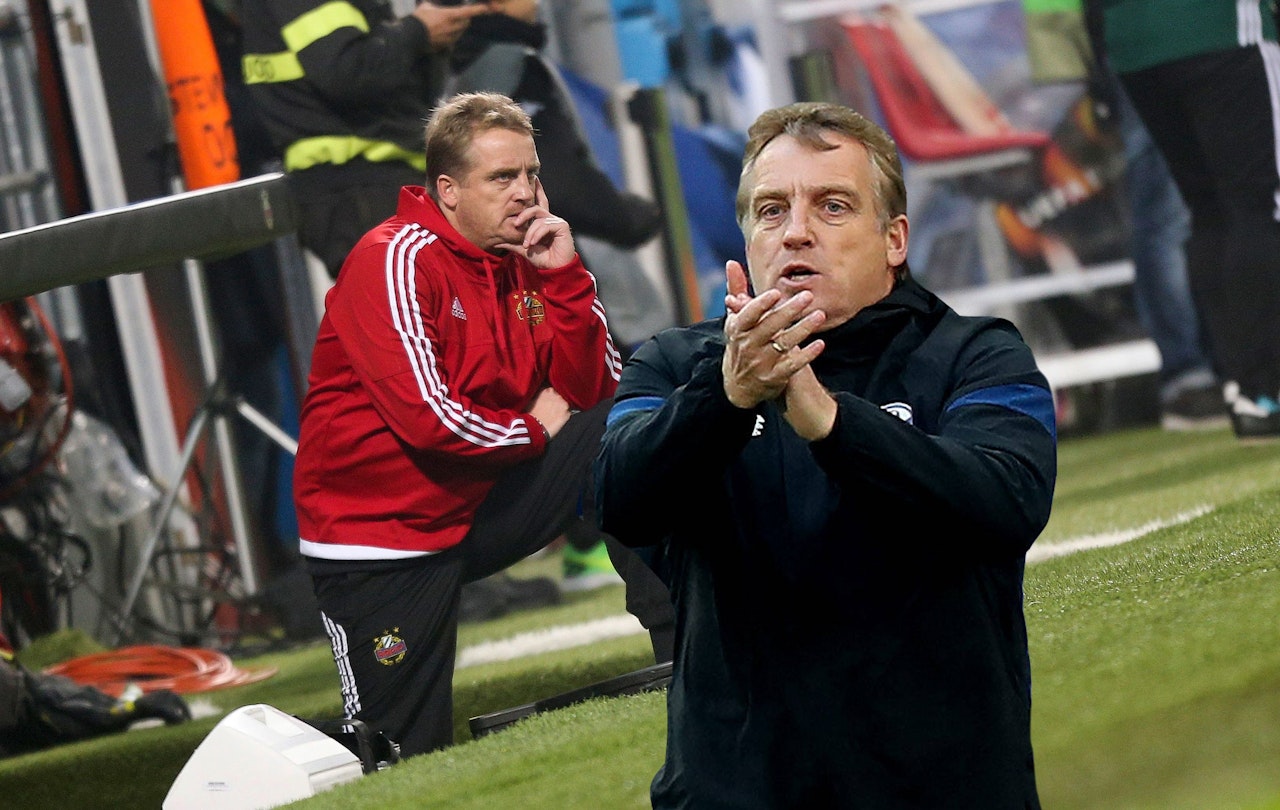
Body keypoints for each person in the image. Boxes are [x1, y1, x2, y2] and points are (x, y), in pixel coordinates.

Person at [595, 102, 1057, 807]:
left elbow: (1008, 500)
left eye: (832, 206)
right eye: (771, 210)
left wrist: (833, 425)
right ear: (747, 238)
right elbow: (618, 501)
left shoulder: (976, 354)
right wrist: (725, 398)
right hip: (735, 791)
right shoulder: (674, 365)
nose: (796, 232)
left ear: (894, 238)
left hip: (937, 785)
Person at [293, 92, 665, 758]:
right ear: (449, 190)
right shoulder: (393, 259)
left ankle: (686, 650)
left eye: (531, 174)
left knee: (627, 430)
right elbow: (429, 421)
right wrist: (533, 431)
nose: (525, 193)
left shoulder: (531, 255)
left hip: (482, 501)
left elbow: (598, 391)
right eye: (501, 178)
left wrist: (565, 277)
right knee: (397, 754)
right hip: (386, 537)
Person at [443, 0, 677, 610]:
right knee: (617, 402)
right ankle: (599, 546)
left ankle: (593, 545)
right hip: (552, 256)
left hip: (523, 271)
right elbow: (559, 180)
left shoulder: (459, 65)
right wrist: (628, 217)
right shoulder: (509, 63)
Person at [1100, 0, 1280, 440]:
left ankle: (1240, 383)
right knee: (1258, 204)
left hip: (1132, 41)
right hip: (1217, 24)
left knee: (1211, 211)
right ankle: (1263, 388)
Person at [238, 0, 495, 279]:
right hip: (354, 188)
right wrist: (418, 31)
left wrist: (433, 37)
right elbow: (347, 72)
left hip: (385, 182)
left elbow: (409, 91)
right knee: (405, 299)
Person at [1079, 0, 1225, 431]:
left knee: (1220, 207)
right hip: (1148, 33)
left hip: (1190, 31)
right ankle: (1189, 377)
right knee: (1171, 216)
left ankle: (1227, 367)